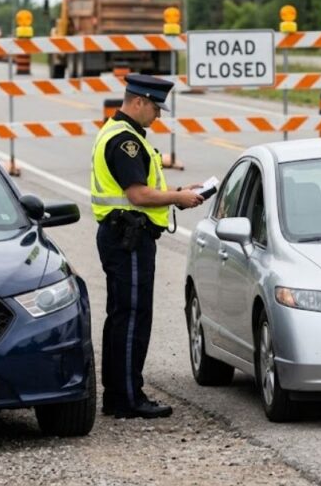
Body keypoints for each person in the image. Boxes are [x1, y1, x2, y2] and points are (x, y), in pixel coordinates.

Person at [90, 74, 204, 419]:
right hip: (129, 237)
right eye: (155, 108)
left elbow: (140, 189)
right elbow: (138, 195)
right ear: (138, 101)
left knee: (122, 316)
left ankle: (118, 395)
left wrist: (179, 191)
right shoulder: (126, 141)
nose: (157, 115)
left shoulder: (118, 132)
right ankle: (128, 398)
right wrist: (177, 198)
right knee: (132, 318)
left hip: (122, 235)